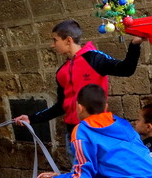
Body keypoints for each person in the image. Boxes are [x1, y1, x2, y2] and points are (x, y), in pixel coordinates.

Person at [14, 19, 144, 148]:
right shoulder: (61, 72)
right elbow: (61, 106)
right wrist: (32, 119)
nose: (52, 45)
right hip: (73, 134)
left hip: (95, 132)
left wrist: (134, 45)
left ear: (68, 40)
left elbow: (126, 70)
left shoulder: (94, 58)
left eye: (55, 40)